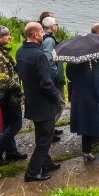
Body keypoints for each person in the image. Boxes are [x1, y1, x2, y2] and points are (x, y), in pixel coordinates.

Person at [16, 22, 62, 181]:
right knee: (46, 138)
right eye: (42, 32)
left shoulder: (20, 51)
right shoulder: (39, 55)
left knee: (40, 134)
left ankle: (46, 162)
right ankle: (32, 171)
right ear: (35, 34)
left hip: (31, 100)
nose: (44, 34)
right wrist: (56, 99)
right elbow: (46, 83)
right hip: (44, 103)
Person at [0, 25, 27, 166]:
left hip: (4, 95)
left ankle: (11, 152)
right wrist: (18, 86)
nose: (10, 37)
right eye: (7, 35)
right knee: (16, 124)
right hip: (9, 96)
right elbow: (3, 80)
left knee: (7, 123)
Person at [67, 60, 99, 161]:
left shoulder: (73, 63)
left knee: (85, 123)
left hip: (80, 98)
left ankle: (86, 150)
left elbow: (70, 76)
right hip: (94, 98)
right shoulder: (93, 64)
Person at [41, 16, 67, 124]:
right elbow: (48, 59)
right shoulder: (50, 41)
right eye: (56, 24)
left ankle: (50, 129)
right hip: (54, 80)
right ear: (52, 27)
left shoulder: (46, 38)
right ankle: (49, 128)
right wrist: (56, 74)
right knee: (60, 104)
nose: (57, 26)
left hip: (52, 79)